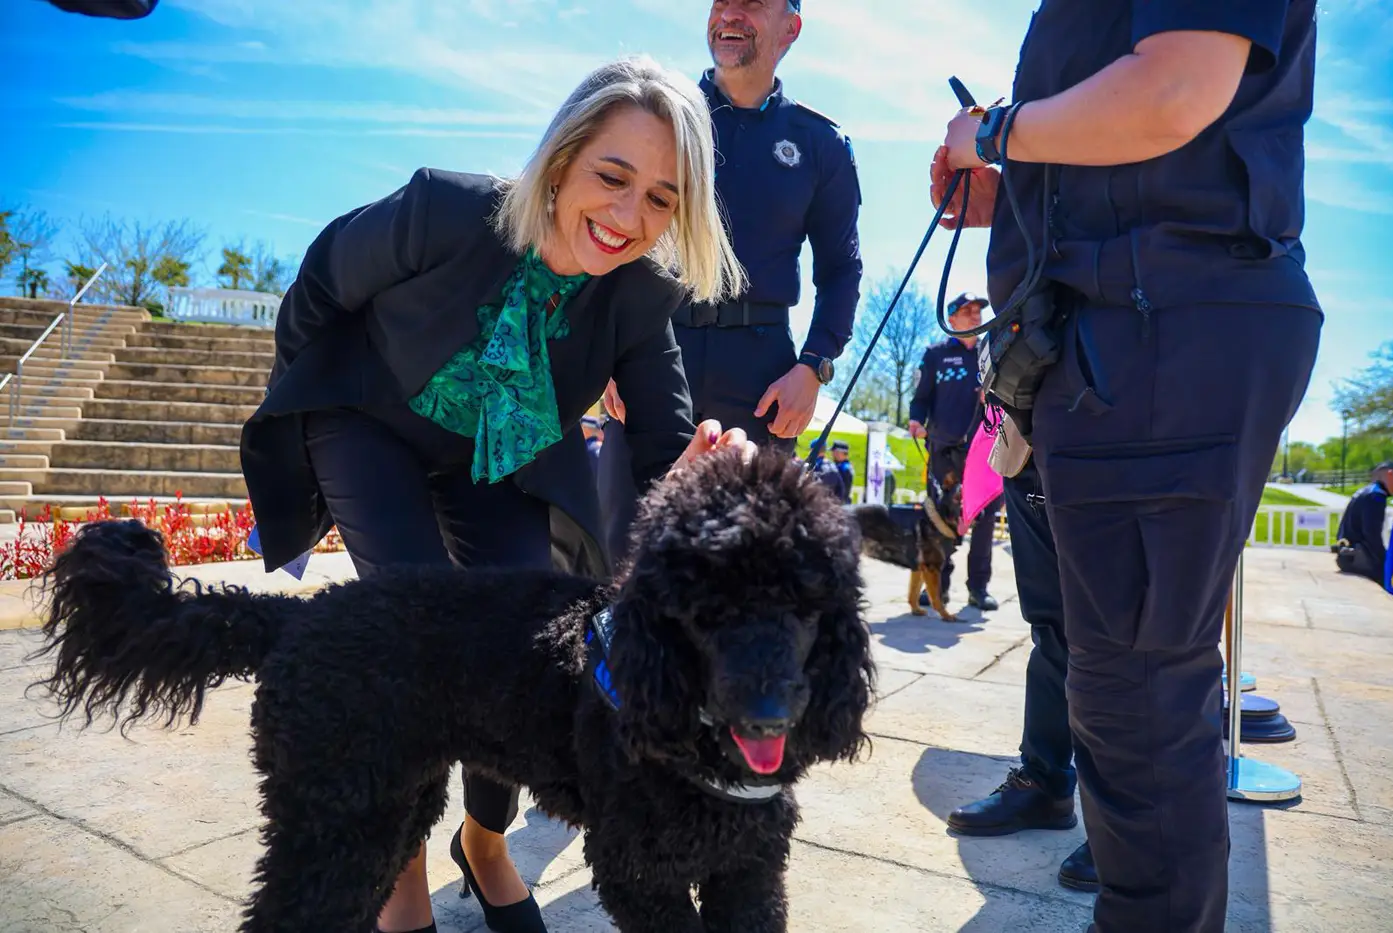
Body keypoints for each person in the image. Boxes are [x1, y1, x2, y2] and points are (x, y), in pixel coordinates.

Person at [239, 56, 752, 933]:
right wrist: (293, 417)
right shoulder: (442, 208)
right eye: (613, 177)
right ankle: (398, 871)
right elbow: (319, 283)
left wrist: (707, 466)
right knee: (413, 633)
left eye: (661, 199)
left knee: (530, 651)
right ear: (563, 157)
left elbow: (665, 454)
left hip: (498, 461)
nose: (628, 218)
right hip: (369, 426)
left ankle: (482, 841)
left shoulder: (639, 298)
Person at [930, 4, 1322, 931]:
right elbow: (1141, 136)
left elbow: (1175, 91)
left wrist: (995, 133)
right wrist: (1017, 188)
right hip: (1120, 336)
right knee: (1118, 676)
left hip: (1161, 327)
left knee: (1137, 688)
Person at [597, 0, 862, 567]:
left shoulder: (821, 144)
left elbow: (842, 269)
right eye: (722, 1)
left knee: (750, 561)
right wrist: (608, 349)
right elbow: (616, 230)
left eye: (753, 2)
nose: (731, 13)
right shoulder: (663, 115)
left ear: (790, 27)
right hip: (653, 350)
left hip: (762, 375)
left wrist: (814, 366)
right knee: (622, 548)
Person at [945, 460, 1096, 893]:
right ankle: (1044, 781)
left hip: (1112, 444)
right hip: (1028, 447)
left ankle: (1132, 817)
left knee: (1120, 634)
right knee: (1050, 628)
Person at [908, 292, 1000, 612]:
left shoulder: (992, 351)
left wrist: (994, 396)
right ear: (951, 320)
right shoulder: (935, 355)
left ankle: (978, 588)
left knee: (985, 518)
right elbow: (921, 397)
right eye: (967, 310)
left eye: (978, 310)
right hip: (943, 451)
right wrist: (916, 420)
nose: (975, 315)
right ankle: (938, 587)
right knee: (939, 519)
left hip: (983, 451)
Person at [1336, 462, 1393, 585]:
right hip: (1361, 560)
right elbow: (1371, 534)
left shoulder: (1366, 491)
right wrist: (1384, 561)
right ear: (1390, 474)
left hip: (1348, 556)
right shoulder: (1376, 496)